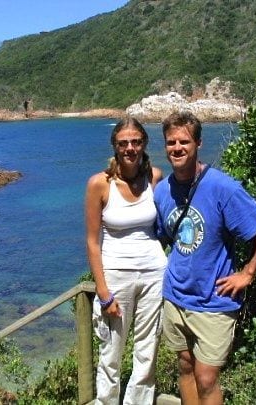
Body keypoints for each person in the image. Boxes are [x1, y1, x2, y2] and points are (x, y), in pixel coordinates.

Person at [153, 111, 256, 405]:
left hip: (213, 300)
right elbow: (163, 236)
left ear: (197, 144)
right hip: (175, 296)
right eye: (171, 143)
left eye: (184, 141)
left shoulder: (222, 187)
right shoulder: (163, 191)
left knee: (207, 377)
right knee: (184, 365)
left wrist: (248, 272)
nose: (177, 148)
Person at [85, 117, 168, 404]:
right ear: (115, 146)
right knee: (111, 351)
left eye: (136, 142)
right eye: (124, 143)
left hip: (154, 275)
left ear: (144, 144)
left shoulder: (155, 177)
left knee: (147, 350)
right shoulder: (100, 184)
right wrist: (103, 291)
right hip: (115, 276)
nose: (130, 148)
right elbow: (92, 243)